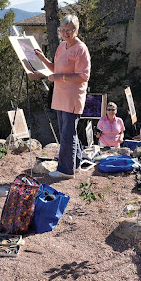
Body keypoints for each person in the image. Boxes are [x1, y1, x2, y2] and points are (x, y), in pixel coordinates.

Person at [34, 15, 91, 178]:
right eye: (63, 30)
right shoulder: (61, 46)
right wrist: (42, 59)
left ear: (76, 30)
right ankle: (76, 163)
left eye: (69, 30)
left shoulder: (81, 49)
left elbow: (83, 76)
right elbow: (55, 69)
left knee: (68, 134)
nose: (65, 33)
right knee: (67, 132)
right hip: (60, 96)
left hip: (72, 98)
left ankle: (66, 170)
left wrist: (59, 77)